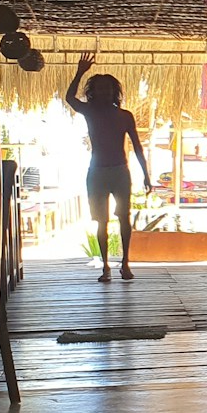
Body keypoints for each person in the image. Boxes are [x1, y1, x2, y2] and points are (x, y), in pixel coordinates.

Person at [64, 54, 152, 282]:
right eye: (100, 89)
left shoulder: (125, 116)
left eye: (108, 89)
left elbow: (138, 147)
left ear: (114, 92)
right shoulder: (90, 111)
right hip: (97, 173)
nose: (104, 92)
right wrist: (80, 71)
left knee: (124, 218)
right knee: (101, 221)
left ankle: (125, 264)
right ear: (93, 93)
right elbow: (69, 98)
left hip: (120, 172)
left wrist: (146, 175)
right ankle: (105, 266)